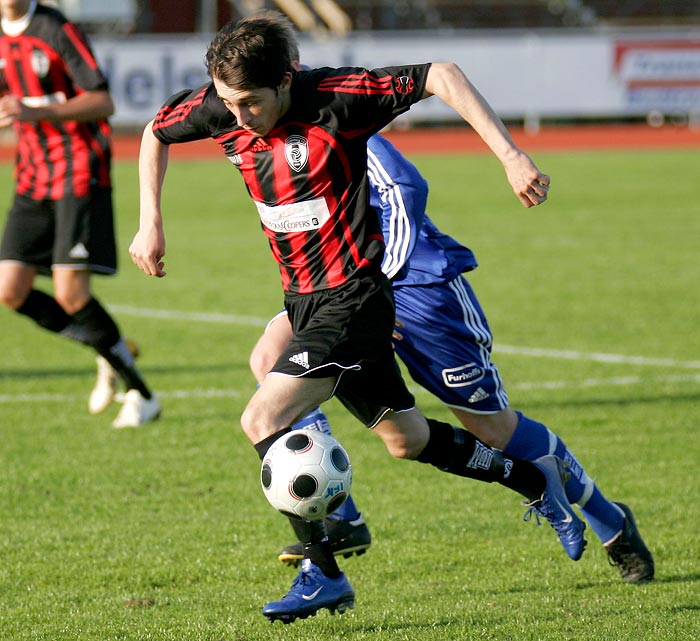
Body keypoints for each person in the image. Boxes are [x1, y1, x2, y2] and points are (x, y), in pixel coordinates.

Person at [131, 12, 587, 624]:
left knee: (262, 414)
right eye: (229, 102)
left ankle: (324, 573)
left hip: (354, 301)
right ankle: (534, 483)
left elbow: (442, 75)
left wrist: (511, 156)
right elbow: (155, 133)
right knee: (408, 441)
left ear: (286, 80)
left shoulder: (337, 100)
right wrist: (150, 222)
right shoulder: (225, 103)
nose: (238, 117)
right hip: (304, 300)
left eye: (252, 103)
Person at [250, 133, 654, 584]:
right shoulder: (267, 133)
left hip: (418, 286)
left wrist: (380, 282)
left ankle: (610, 520)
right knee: (269, 357)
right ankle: (343, 518)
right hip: (345, 291)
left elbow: (407, 187)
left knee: (494, 429)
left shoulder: (338, 115)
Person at [0, 0, 160, 428]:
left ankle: (142, 395)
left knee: (72, 294)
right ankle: (108, 347)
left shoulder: (55, 29)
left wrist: (35, 111)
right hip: (31, 175)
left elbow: (102, 100)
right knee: (10, 289)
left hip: (78, 170)